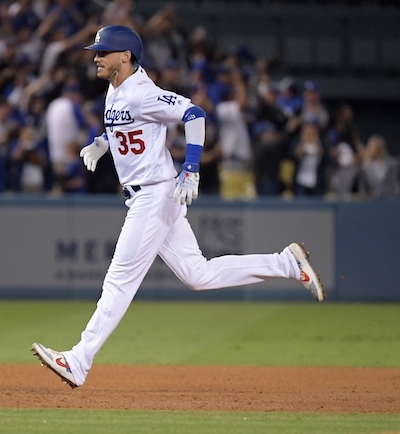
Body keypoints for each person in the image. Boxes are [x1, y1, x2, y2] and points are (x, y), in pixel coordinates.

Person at [31, 25, 326, 389]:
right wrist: (102, 143)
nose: (96, 57)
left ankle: (78, 360)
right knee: (198, 275)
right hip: (148, 195)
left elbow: (196, 114)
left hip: (154, 195)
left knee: (119, 280)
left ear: (125, 56)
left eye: (103, 52)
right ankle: (285, 263)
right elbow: (124, 125)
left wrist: (191, 166)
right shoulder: (115, 87)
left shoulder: (143, 93)